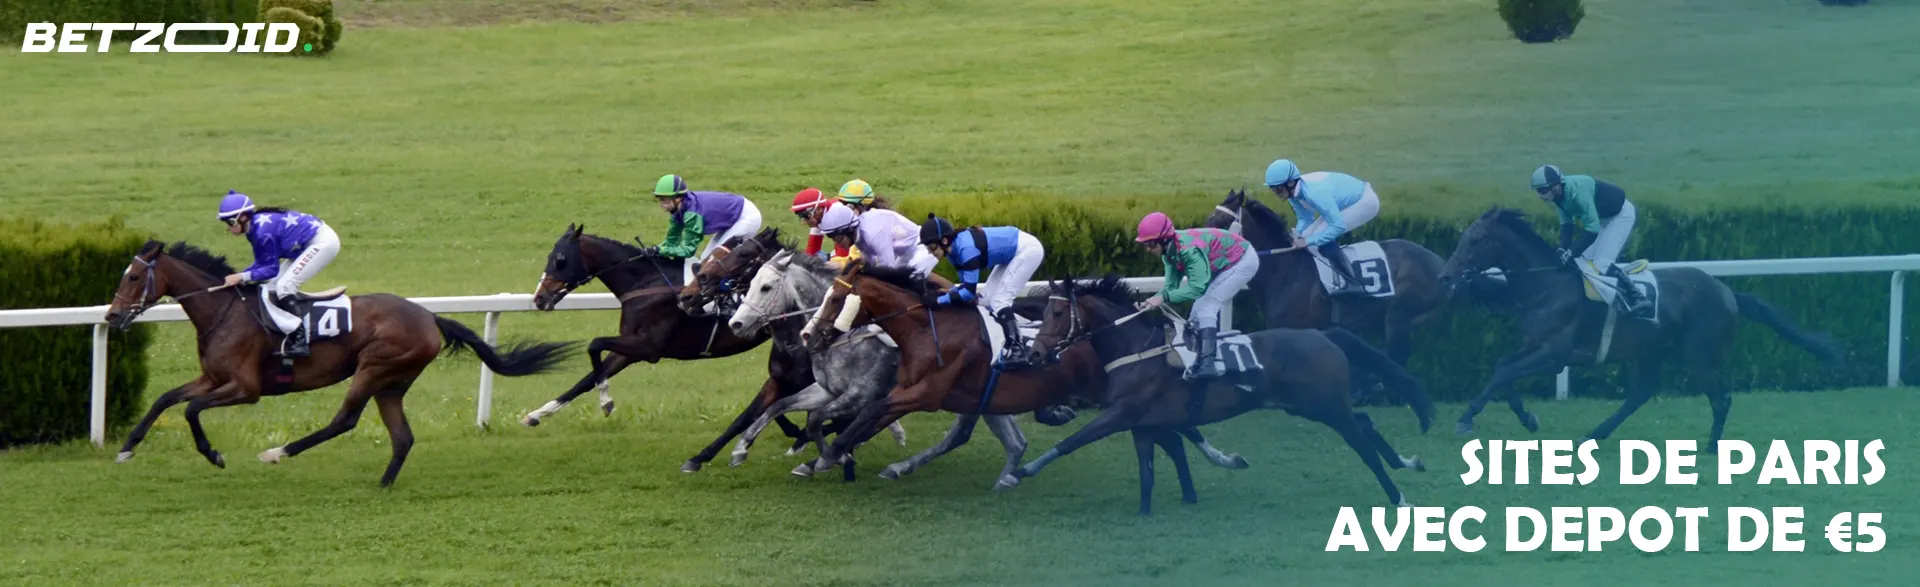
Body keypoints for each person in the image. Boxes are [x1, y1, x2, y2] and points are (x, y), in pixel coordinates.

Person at [1133, 212, 1261, 380]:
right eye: (1146, 245)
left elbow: (1197, 288)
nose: (1148, 250)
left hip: (1242, 260)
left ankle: (1208, 364)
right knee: (1194, 317)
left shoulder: (1188, 250)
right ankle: (1198, 360)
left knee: (1207, 307)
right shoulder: (1168, 253)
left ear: (1164, 240)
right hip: (1224, 263)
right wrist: (1150, 302)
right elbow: (1171, 287)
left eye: (1150, 245)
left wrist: (1162, 298)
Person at [216, 190, 339, 358]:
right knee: (271, 287)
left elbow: (270, 270)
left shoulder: (261, 232)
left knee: (285, 286)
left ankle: (300, 338)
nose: (229, 228)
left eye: (229, 222)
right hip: (305, 245)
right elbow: (263, 264)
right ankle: (285, 331)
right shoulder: (255, 227)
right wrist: (242, 276)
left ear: (243, 217)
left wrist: (242, 277)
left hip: (322, 243)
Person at [920, 213, 1046, 367]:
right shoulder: (953, 254)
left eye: (932, 248)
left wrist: (938, 301)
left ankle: (1018, 349)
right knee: (985, 301)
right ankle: (1002, 341)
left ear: (944, 241)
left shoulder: (967, 249)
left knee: (1000, 302)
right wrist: (947, 295)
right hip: (1011, 254)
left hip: (1027, 250)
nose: (931, 253)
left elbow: (967, 293)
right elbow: (968, 291)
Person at [1531, 164, 1648, 312]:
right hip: (1603, 218)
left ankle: (1637, 296)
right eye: (1538, 191)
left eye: (1542, 190)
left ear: (1555, 187)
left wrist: (1571, 251)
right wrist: (1563, 248)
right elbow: (1567, 224)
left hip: (1620, 216)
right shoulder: (1560, 198)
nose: (1540, 195)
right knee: (1583, 261)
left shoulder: (1578, 193)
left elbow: (1592, 229)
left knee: (1602, 263)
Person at [1263, 159, 1378, 296]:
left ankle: (1352, 283)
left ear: (1290, 183)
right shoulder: (1294, 194)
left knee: (1317, 238)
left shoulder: (1315, 193)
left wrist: (1307, 241)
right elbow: (1305, 218)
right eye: (1273, 189)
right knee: (1307, 235)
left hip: (1364, 202)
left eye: (1278, 189)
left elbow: (1338, 226)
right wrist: (1298, 234)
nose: (1276, 193)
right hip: (1342, 203)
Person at [647, 174, 763, 287]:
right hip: (734, 215)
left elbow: (688, 251)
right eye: (660, 199)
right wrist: (653, 250)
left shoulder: (692, 214)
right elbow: (671, 242)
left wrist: (660, 250)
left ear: (677, 198)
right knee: (704, 262)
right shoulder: (678, 210)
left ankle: (733, 294)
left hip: (746, 217)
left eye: (664, 200)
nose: (661, 204)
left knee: (715, 263)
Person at [816, 203, 940, 279]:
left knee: (908, 281)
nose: (836, 243)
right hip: (905, 252)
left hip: (922, 248)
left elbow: (888, 269)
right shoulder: (859, 236)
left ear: (848, 230)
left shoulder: (872, 234)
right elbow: (869, 264)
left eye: (837, 237)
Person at [791, 187, 853, 262]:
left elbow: (843, 257)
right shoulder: (819, 216)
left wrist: (827, 259)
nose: (804, 221)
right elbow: (811, 252)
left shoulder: (832, 218)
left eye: (806, 216)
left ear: (818, 209)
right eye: (801, 217)